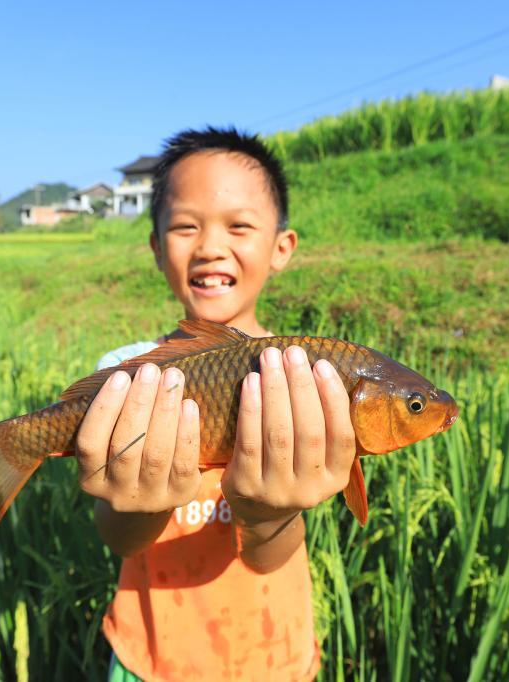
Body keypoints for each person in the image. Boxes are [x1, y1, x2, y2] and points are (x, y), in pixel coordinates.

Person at [76, 126, 356, 681]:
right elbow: (118, 537)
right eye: (185, 227)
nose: (209, 246)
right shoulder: (125, 374)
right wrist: (145, 497)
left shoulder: (303, 377)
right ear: (157, 248)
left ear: (282, 248)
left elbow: (268, 556)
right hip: (149, 654)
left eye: (239, 226)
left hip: (272, 652)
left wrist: (270, 513)